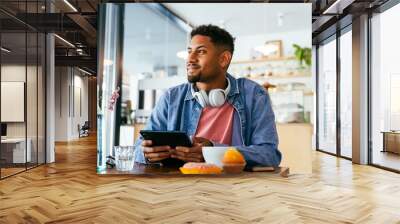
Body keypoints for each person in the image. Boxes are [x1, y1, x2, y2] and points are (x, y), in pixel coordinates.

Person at [134, 24, 281, 167]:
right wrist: (147, 154)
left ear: (223, 59)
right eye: (189, 51)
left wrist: (212, 152)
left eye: (201, 51)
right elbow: (138, 149)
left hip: (236, 187)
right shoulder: (171, 98)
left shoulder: (254, 95)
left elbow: (269, 154)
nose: (190, 59)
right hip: (180, 186)